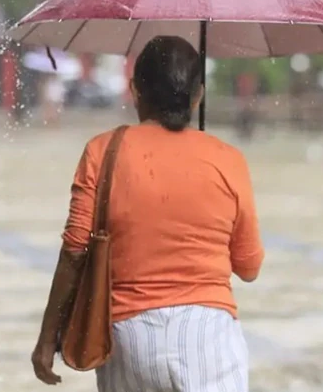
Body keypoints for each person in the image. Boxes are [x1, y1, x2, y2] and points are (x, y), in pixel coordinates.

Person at [31, 36, 264, 391]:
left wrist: (49, 337)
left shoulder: (102, 151)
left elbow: (75, 251)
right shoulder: (228, 160)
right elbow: (248, 267)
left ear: (135, 90)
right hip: (209, 339)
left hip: (126, 340)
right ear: (197, 94)